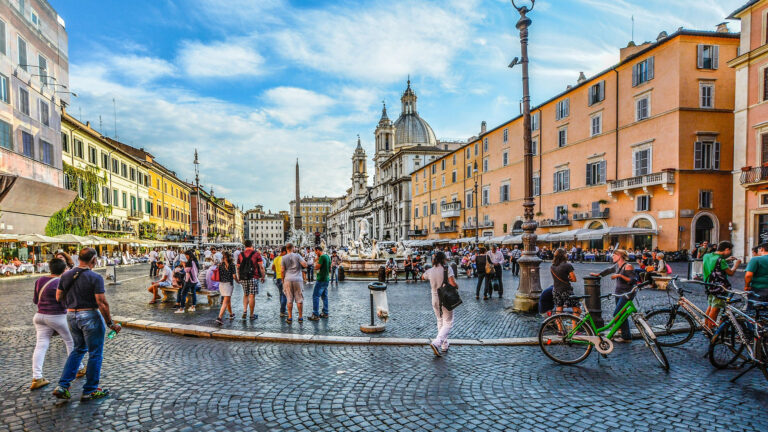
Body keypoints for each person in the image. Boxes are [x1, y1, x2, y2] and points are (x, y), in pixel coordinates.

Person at [52, 248, 121, 402]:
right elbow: (102, 303)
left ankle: (63, 385)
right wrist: (110, 323)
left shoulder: (66, 275)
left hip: (71, 315)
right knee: (95, 353)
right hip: (89, 315)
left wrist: (71, 304)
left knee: (78, 349)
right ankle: (90, 390)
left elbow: (58, 297)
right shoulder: (95, 277)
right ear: (94, 260)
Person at [30, 258, 84, 390]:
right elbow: (65, 302)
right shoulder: (61, 282)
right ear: (64, 269)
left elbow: (35, 300)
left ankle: (37, 377)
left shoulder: (40, 280)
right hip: (57, 316)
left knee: (41, 345)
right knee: (71, 342)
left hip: (39, 316)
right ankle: (79, 368)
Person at [590, 249, 636, 343]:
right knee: (622, 314)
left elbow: (632, 280)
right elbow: (608, 270)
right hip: (618, 292)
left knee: (617, 314)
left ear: (620, 256)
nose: (612, 257)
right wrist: (598, 274)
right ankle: (626, 336)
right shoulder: (616, 266)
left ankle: (622, 334)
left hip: (627, 293)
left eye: (614, 255)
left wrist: (619, 275)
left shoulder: (628, 266)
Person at [422, 251, 457, 357]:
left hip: (434, 298)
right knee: (448, 322)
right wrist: (457, 286)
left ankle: (444, 345)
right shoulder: (447, 269)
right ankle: (437, 342)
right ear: (443, 259)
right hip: (446, 297)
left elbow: (422, 277)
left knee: (440, 320)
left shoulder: (430, 270)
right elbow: (452, 283)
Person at [702, 241, 741, 327]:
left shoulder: (707, 256)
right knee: (715, 309)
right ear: (726, 249)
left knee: (710, 306)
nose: (730, 252)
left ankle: (705, 327)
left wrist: (726, 260)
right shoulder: (721, 260)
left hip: (709, 284)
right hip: (719, 287)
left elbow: (714, 263)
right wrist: (736, 265)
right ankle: (710, 329)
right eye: (730, 250)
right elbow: (730, 273)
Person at [237, 240, 265, 320]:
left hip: (243, 277)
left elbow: (238, 267)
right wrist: (263, 276)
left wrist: (239, 277)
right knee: (252, 295)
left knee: (245, 294)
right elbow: (261, 267)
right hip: (253, 276)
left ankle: (245, 311)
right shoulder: (256, 254)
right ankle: (251, 315)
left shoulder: (240, 255)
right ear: (252, 245)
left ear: (244, 246)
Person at [281, 243, 307, 323]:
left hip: (288, 279)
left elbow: (282, 271)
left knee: (289, 299)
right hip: (298, 279)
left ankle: (290, 317)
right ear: (293, 248)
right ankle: (300, 317)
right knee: (299, 299)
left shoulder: (283, 258)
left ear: (286, 249)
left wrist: (283, 280)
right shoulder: (297, 256)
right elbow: (305, 265)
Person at [550, 248, 581, 315]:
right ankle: (574, 325)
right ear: (563, 255)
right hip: (566, 290)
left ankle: (559, 326)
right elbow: (574, 279)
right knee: (576, 309)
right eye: (565, 253)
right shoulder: (567, 265)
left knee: (558, 309)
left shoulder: (552, 266)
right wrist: (568, 279)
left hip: (555, 289)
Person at [215, 251, 238, 325]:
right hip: (228, 284)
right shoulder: (232, 265)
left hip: (221, 284)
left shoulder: (220, 265)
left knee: (228, 300)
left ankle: (231, 314)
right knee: (225, 301)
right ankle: (219, 317)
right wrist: (238, 281)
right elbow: (234, 276)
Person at [309, 246, 331, 321]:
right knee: (324, 296)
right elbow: (329, 267)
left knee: (315, 296)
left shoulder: (322, 257)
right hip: (326, 279)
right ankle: (325, 312)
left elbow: (317, 267)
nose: (315, 253)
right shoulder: (328, 256)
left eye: (315, 251)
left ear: (318, 250)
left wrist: (315, 262)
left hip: (321, 279)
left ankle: (315, 314)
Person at [745, 242, 768, 307]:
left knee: (754, 311)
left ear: (762, 249)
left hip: (759, 289)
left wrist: (747, 285)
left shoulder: (756, 259)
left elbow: (748, 275)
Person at [272, 247, 288, 317]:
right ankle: (283, 311)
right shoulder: (285, 259)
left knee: (281, 294)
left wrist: (277, 271)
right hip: (284, 278)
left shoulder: (276, 258)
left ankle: (282, 309)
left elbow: (272, 268)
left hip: (278, 278)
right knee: (284, 295)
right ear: (284, 252)